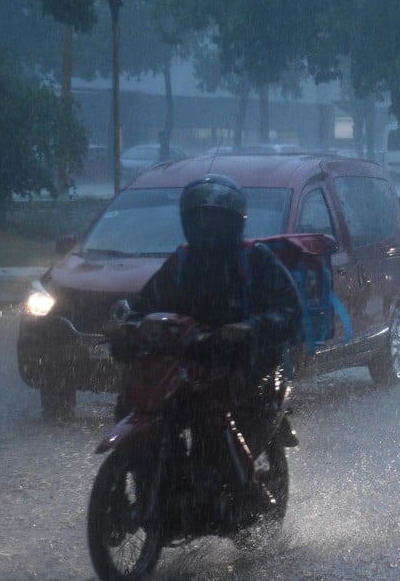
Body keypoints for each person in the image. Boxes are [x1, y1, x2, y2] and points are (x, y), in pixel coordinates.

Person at [126, 173, 302, 501]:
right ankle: (149, 480)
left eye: (216, 218)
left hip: (247, 364)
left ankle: (241, 490)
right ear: (188, 220)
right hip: (190, 363)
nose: (207, 226)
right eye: (200, 217)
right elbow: (145, 303)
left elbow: (290, 312)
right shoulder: (181, 262)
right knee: (134, 401)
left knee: (211, 414)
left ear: (233, 221)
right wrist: (131, 323)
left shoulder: (256, 259)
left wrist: (251, 329)